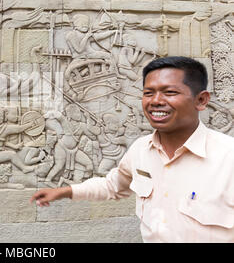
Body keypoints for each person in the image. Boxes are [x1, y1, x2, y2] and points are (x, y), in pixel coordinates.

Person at [30, 56, 234, 242]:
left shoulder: (228, 157)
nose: (156, 101)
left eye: (170, 92)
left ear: (201, 100)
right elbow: (113, 185)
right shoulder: (140, 150)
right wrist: (64, 191)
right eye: (148, 93)